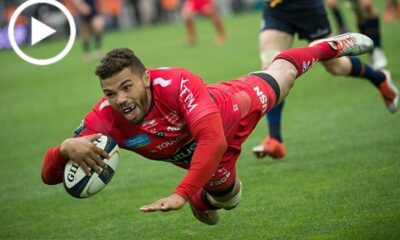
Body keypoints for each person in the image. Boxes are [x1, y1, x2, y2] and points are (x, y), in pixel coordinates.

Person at [42, 33, 381, 225]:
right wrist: (64, 149)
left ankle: (328, 46)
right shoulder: (104, 120)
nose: (120, 99)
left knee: (284, 76)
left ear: (146, 78)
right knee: (230, 200)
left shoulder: (177, 83)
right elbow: (50, 175)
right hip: (207, 155)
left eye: (127, 87)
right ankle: (206, 198)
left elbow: (213, 138)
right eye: (110, 93)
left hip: (231, 109)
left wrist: (181, 193)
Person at [252, 0, 399, 160]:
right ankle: (275, 139)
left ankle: (379, 78)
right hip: (276, 9)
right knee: (269, 66)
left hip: (307, 7)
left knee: (336, 65)